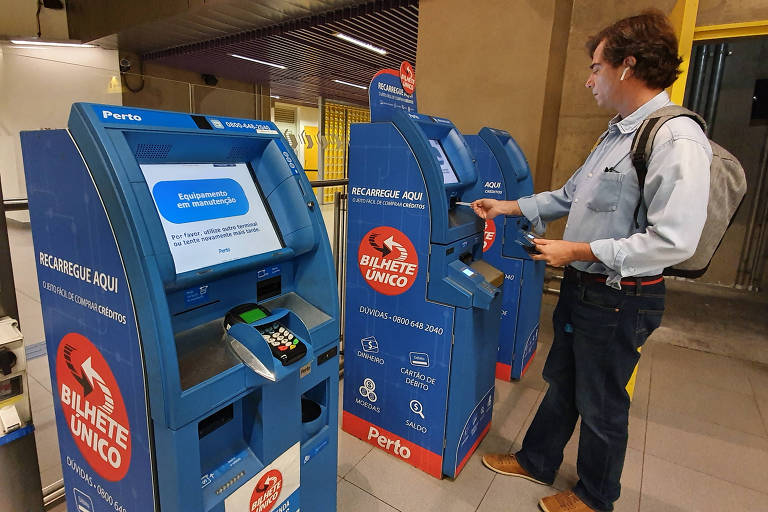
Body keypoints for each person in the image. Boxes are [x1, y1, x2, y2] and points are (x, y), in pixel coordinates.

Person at [472, 10, 711, 512]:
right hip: (585, 290)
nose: (589, 80)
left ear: (627, 66)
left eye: (596, 68)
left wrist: (577, 250)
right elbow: (567, 196)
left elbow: (674, 240)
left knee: (602, 403)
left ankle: (596, 497)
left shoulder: (675, 139)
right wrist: (509, 206)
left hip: (623, 298)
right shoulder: (616, 134)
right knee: (563, 381)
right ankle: (538, 460)